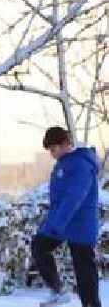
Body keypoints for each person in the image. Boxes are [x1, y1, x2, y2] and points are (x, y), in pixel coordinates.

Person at [31, 126, 101, 307]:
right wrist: (51, 223)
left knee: (85, 275)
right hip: (62, 224)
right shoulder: (64, 163)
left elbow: (73, 198)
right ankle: (57, 291)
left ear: (64, 144)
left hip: (81, 226)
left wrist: (56, 224)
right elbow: (59, 200)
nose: (52, 154)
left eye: (53, 149)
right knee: (39, 246)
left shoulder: (81, 165)